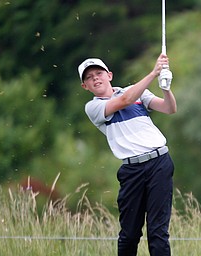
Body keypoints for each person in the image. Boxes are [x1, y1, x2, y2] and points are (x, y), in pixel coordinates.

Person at [78, 53, 177, 256]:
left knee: (158, 232)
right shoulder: (93, 107)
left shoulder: (137, 92)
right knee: (130, 234)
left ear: (110, 75)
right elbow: (125, 100)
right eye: (89, 77)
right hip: (132, 170)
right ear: (85, 86)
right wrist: (153, 72)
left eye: (99, 73)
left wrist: (166, 88)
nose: (95, 78)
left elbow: (169, 108)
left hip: (159, 162)